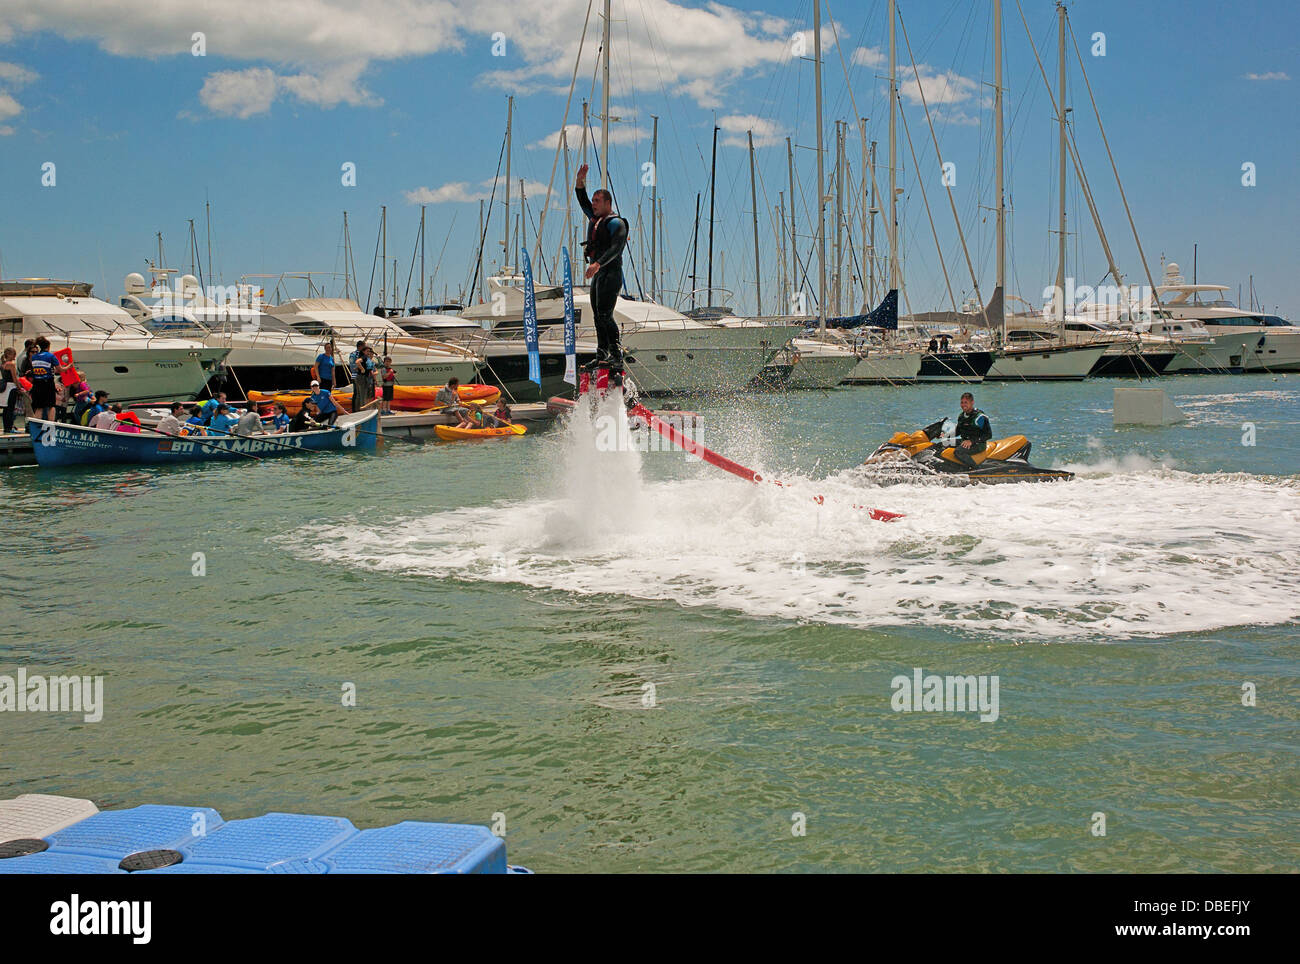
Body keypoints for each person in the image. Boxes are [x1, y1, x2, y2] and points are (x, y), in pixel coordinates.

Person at [575, 162, 628, 370]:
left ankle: (616, 354)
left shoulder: (617, 223)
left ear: (607, 202)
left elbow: (617, 247)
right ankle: (601, 354)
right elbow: (582, 200)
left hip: (611, 273)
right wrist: (580, 182)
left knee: (606, 314)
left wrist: (597, 263)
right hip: (599, 273)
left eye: (597, 201)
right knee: (598, 316)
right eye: (594, 201)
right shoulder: (594, 218)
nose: (594, 204)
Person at [26, 336, 63, 421]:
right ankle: (51, 425)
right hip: (47, 382)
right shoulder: (50, 356)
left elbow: (34, 368)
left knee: (39, 407)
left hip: (37, 383)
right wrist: (69, 366)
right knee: (51, 406)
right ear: (48, 347)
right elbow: (60, 369)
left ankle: (37, 426)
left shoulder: (34, 357)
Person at [952, 392, 992, 469]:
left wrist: (971, 441)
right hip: (964, 441)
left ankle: (976, 469)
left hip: (978, 444)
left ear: (972, 402)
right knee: (943, 444)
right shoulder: (961, 416)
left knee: (958, 452)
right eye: (962, 403)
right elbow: (958, 432)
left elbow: (988, 435)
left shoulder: (979, 417)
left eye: (966, 402)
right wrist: (944, 434)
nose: (963, 405)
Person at [1, 347, 21, 434]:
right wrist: (19, 388)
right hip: (11, 387)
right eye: (14, 354)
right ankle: (10, 427)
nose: (15, 356)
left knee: (6, 408)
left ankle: (6, 427)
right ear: (9, 354)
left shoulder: (3, 364)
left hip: (5, 387)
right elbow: (15, 378)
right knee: (11, 408)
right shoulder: (11, 364)